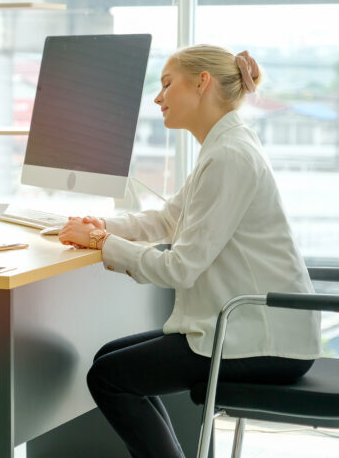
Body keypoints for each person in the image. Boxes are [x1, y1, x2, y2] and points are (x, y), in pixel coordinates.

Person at [58, 44, 322, 458]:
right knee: (109, 360)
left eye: (166, 84)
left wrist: (102, 244)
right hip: (247, 322)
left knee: (109, 377)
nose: (158, 97)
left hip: (262, 338)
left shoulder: (229, 156)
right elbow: (167, 220)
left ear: (202, 83)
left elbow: (180, 269)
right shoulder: (223, 147)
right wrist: (103, 227)